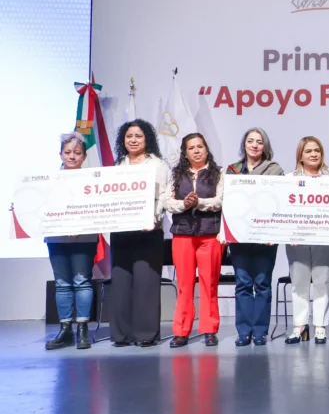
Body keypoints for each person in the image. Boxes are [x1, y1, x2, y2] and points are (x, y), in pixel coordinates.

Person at [109, 119, 171, 347]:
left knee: (147, 284)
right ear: (123, 140)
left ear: (147, 139)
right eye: (129, 136)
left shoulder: (158, 166)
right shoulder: (117, 166)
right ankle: (121, 335)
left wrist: (154, 216)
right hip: (121, 232)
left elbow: (164, 196)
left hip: (149, 231)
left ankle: (145, 334)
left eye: (138, 136)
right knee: (121, 284)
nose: (133, 140)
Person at [225, 127, 284, 346]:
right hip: (239, 236)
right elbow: (228, 202)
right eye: (250, 141)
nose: (254, 145)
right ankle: (243, 332)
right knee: (242, 284)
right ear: (244, 144)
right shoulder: (233, 170)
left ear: (265, 146)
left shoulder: (275, 170)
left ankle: (260, 332)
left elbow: (279, 201)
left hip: (265, 236)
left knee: (262, 284)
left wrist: (273, 230)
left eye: (259, 141)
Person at [164, 133, 224, 348]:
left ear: (206, 149)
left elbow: (220, 200)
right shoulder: (176, 174)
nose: (197, 151)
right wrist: (184, 204)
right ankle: (181, 331)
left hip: (210, 236)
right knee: (184, 285)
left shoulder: (219, 174)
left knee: (209, 284)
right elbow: (167, 202)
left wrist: (199, 203)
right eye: (191, 148)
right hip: (183, 235)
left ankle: (209, 330)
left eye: (200, 146)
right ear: (185, 153)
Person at [283, 136, 329, 344]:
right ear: (300, 155)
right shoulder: (288, 178)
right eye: (308, 151)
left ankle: (320, 326)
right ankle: (299, 326)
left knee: (323, 281)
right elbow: (284, 208)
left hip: (325, 237)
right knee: (299, 282)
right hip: (297, 238)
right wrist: (289, 231)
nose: (313, 154)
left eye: (317, 150)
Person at [44, 132, 98, 350]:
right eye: (67, 152)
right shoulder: (48, 181)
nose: (72, 156)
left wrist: (81, 224)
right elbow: (37, 206)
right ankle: (65, 329)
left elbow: (101, 207)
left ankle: (82, 330)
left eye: (77, 153)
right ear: (60, 155)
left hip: (84, 237)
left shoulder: (94, 180)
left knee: (82, 281)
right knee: (62, 283)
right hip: (56, 237)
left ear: (84, 156)